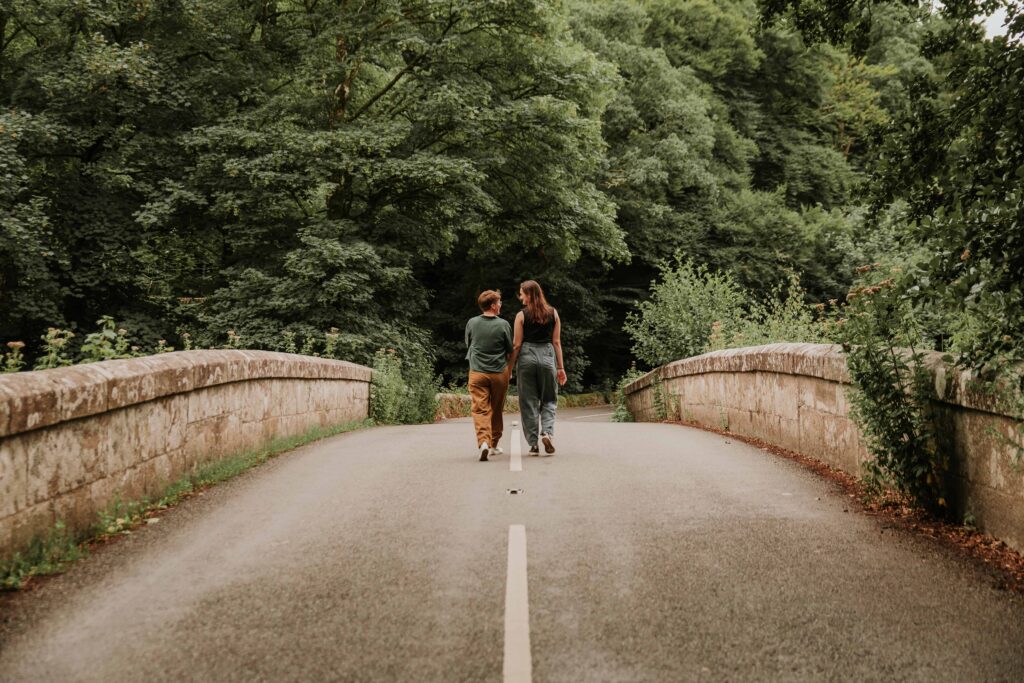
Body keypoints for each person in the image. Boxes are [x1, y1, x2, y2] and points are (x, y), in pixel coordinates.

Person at [509, 280, 566, 456]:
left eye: (522, 294)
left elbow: (517, 344)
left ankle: (533, 444)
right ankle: (547, 432)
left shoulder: (521, 315)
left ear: (529, 295)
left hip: (526, 357)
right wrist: (561, 368)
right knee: (549, 399)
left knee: (528, 402)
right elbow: (556, 342)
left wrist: (510, 367)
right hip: (548, 357)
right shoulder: (553, 313)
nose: (520, 297)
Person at [465, 290, 513, 461]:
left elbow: (469, 344)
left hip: (477, 372)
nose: (501, 304)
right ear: (493, 305)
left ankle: (483, 442)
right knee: (496, 408)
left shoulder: (472, 323)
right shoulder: (504, 325)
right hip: (499, 373)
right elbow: (509, 350)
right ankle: (493, 444)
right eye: (499, 302)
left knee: (480, 409)